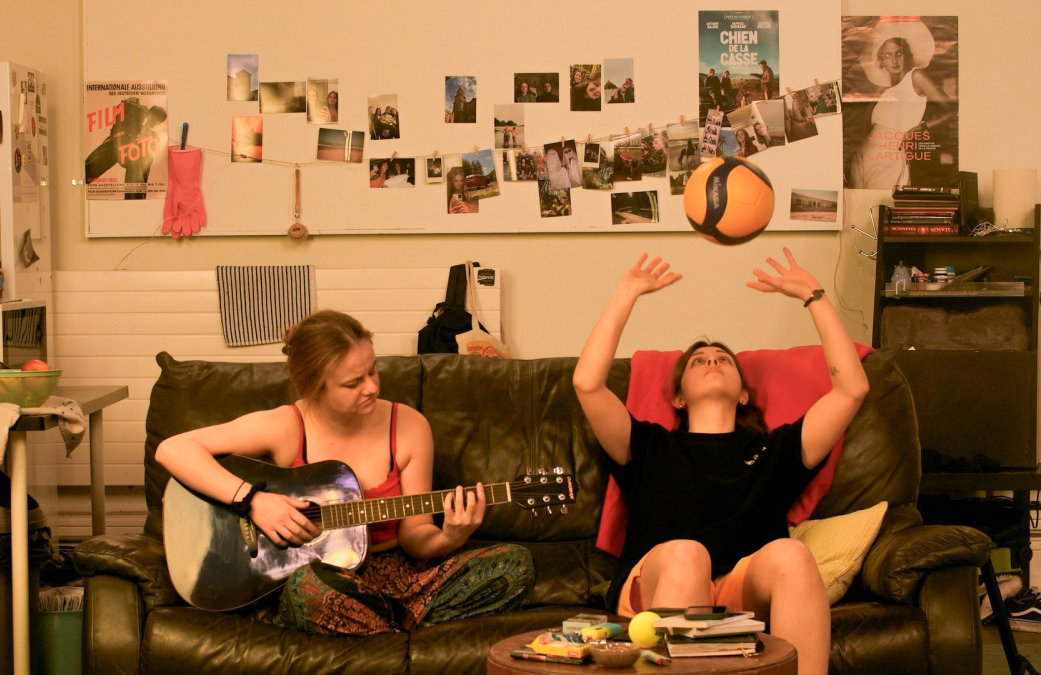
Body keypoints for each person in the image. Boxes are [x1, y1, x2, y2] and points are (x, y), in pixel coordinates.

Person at [572, 250, 869, 675]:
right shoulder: (648, 444)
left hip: (740, 589)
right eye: (698, 361)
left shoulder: (776, 450)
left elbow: (851, 390)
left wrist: (813, 295)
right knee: (687, 555)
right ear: (678, 397)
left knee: (794, 556)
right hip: (657, 585)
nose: (712, 359)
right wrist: (628, 291)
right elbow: (587, 383)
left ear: (744, 393)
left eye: (723, 359)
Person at [155, 311, 532, 634]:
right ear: (315, 387)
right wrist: (255, 501)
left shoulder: (409, 426)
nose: (371, 387)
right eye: (353, 383)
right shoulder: (287, 426)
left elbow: (416, 536)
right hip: (322, 580)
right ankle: (400, 629)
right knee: (309, 589)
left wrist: (451, 536)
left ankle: (380, 627)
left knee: (514, 566)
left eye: (373, 370)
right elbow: (173, 449)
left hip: (397, 578)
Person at [849, 23, 954, 189]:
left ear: (907, 54)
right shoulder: (884, 91)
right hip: (863, 158)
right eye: (888, 56)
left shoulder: (916, 76)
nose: (895, 60)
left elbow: (951, 111)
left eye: (899, 53)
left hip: (890, 158)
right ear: (881, 61)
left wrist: (921, 128)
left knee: (879, 208)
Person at [84, 96, 168, 200]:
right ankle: (80, 178)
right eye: (154, 116)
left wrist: (146, 141)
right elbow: (122, 117)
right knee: (109, 148)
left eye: (157, 121)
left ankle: (134, 201)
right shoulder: (138, 113)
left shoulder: (153, 134)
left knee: (141, 161)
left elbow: (154, 149)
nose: (153, 121)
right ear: (149, 113)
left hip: (136, 156)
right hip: (119, 145)